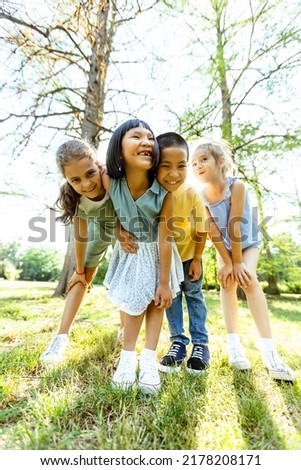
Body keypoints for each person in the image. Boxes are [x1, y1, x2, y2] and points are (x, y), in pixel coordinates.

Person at [191, 138, 294, 381]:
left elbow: (235, 225)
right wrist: (227, 262)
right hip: (224, 248)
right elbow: (212, 231)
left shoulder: (236, 187)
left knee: (249, 281)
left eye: (203, 159)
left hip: (247, 242)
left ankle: (270, 352)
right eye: (194, 163)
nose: (198, 166)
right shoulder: (199, 195)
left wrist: (237, 262)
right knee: (227, 284)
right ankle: (234, 346)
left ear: (221, 162)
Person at [102, 119, 184, 394]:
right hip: (131, 250)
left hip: (158, 253)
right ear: (118, 149)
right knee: (132, 300)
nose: (147, 141)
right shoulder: (109, 179)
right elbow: (101, 208)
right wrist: (116, 229)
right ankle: (127, 360)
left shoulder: (164, 193)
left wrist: (163, 281)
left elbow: (165, 237)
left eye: (150, 137)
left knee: (156, 303)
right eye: (136, 136)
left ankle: (148, 359)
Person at [40, 139, 122, 364]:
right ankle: (60, 337)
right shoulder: (74, 198)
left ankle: (125, 327)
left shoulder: (110, 179)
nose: (86, 184)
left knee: (125, 272)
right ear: (67, 180)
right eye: (76, 179)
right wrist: (79, 270)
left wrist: (120, 230)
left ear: (98, 166)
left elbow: (124, 207)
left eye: (89, 173)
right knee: (81, 276)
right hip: (99, 229)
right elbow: (80, 234)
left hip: (124, 225)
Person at [155, 132, 210, 375]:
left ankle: (200, 345)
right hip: (168, 261)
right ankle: (178, 342)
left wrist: (197, 259)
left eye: (181, 166)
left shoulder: (191, 193)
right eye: (165, 166)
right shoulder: (154, 193)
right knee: (172, 300)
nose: (174, 173)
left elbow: (202, 229)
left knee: (194, 297)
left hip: (189, 257)